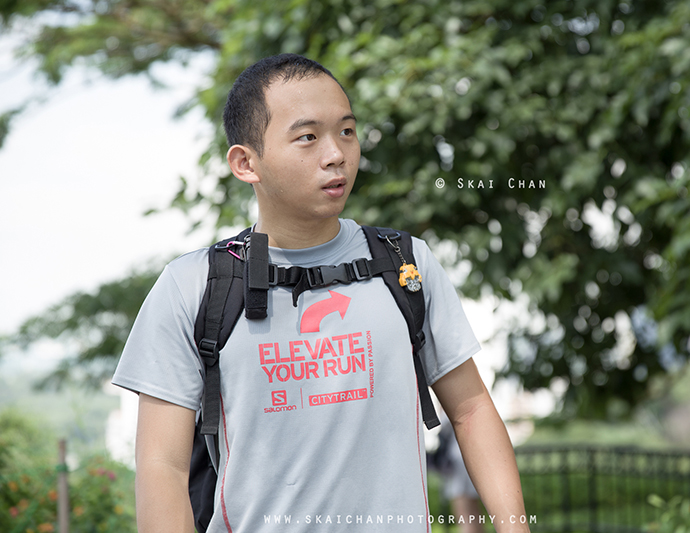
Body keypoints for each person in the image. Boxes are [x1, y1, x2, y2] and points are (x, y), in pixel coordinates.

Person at [112, 53, 528, 532]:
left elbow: (472, 409)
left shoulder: (405, 264)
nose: (336, 154)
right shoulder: (194, 288)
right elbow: (163, 465)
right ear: (246, 163)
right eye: (307, 137)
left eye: (347, 131)